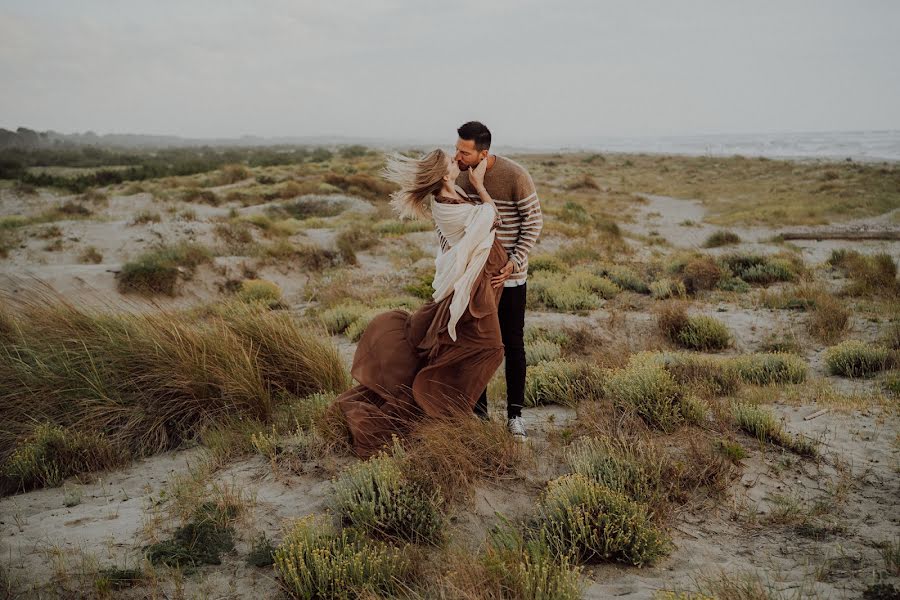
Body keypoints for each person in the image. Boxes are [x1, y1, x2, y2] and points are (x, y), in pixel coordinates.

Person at [333, 148, 509, 459]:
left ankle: (451, 416)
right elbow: (493, 218)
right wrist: (481, 186)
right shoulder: (447, 205)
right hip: (469, 292)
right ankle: (441, 411)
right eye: (452, 163)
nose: (457, 163)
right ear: (444, 175)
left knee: (463, 349)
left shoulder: (453, 192)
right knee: (489, 346)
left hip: (479, 285)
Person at [440, 121, 543, 440]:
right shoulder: (455, 176)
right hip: (473, 280)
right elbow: (450, 229)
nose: (458, 156)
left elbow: (534, 222)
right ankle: (480, 415)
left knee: (512, 345)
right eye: (457, 148)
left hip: (509, 279)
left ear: (483, 153)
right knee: (476, 346)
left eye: (465, 151)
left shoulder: (515, 175)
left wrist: (514, 262)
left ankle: (515, 417)